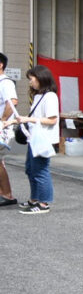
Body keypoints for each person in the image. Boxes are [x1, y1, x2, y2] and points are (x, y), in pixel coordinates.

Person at [15, 65, 60, 215]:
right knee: (31, 169)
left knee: (40, 170)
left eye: (31, 79)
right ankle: (34, 199)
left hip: (43, 139)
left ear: (41, 78)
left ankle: (43, 203)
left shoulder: (50, 96)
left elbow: (52, 120)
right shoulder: (39, 96)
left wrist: (28, 118)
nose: (30, 82)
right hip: (34, 138)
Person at [0, 52, 18, 207]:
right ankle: (4, 193)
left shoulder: (5, 82)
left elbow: (12, 102)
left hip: (2, 129)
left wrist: (2, 121)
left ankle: (7, 194)